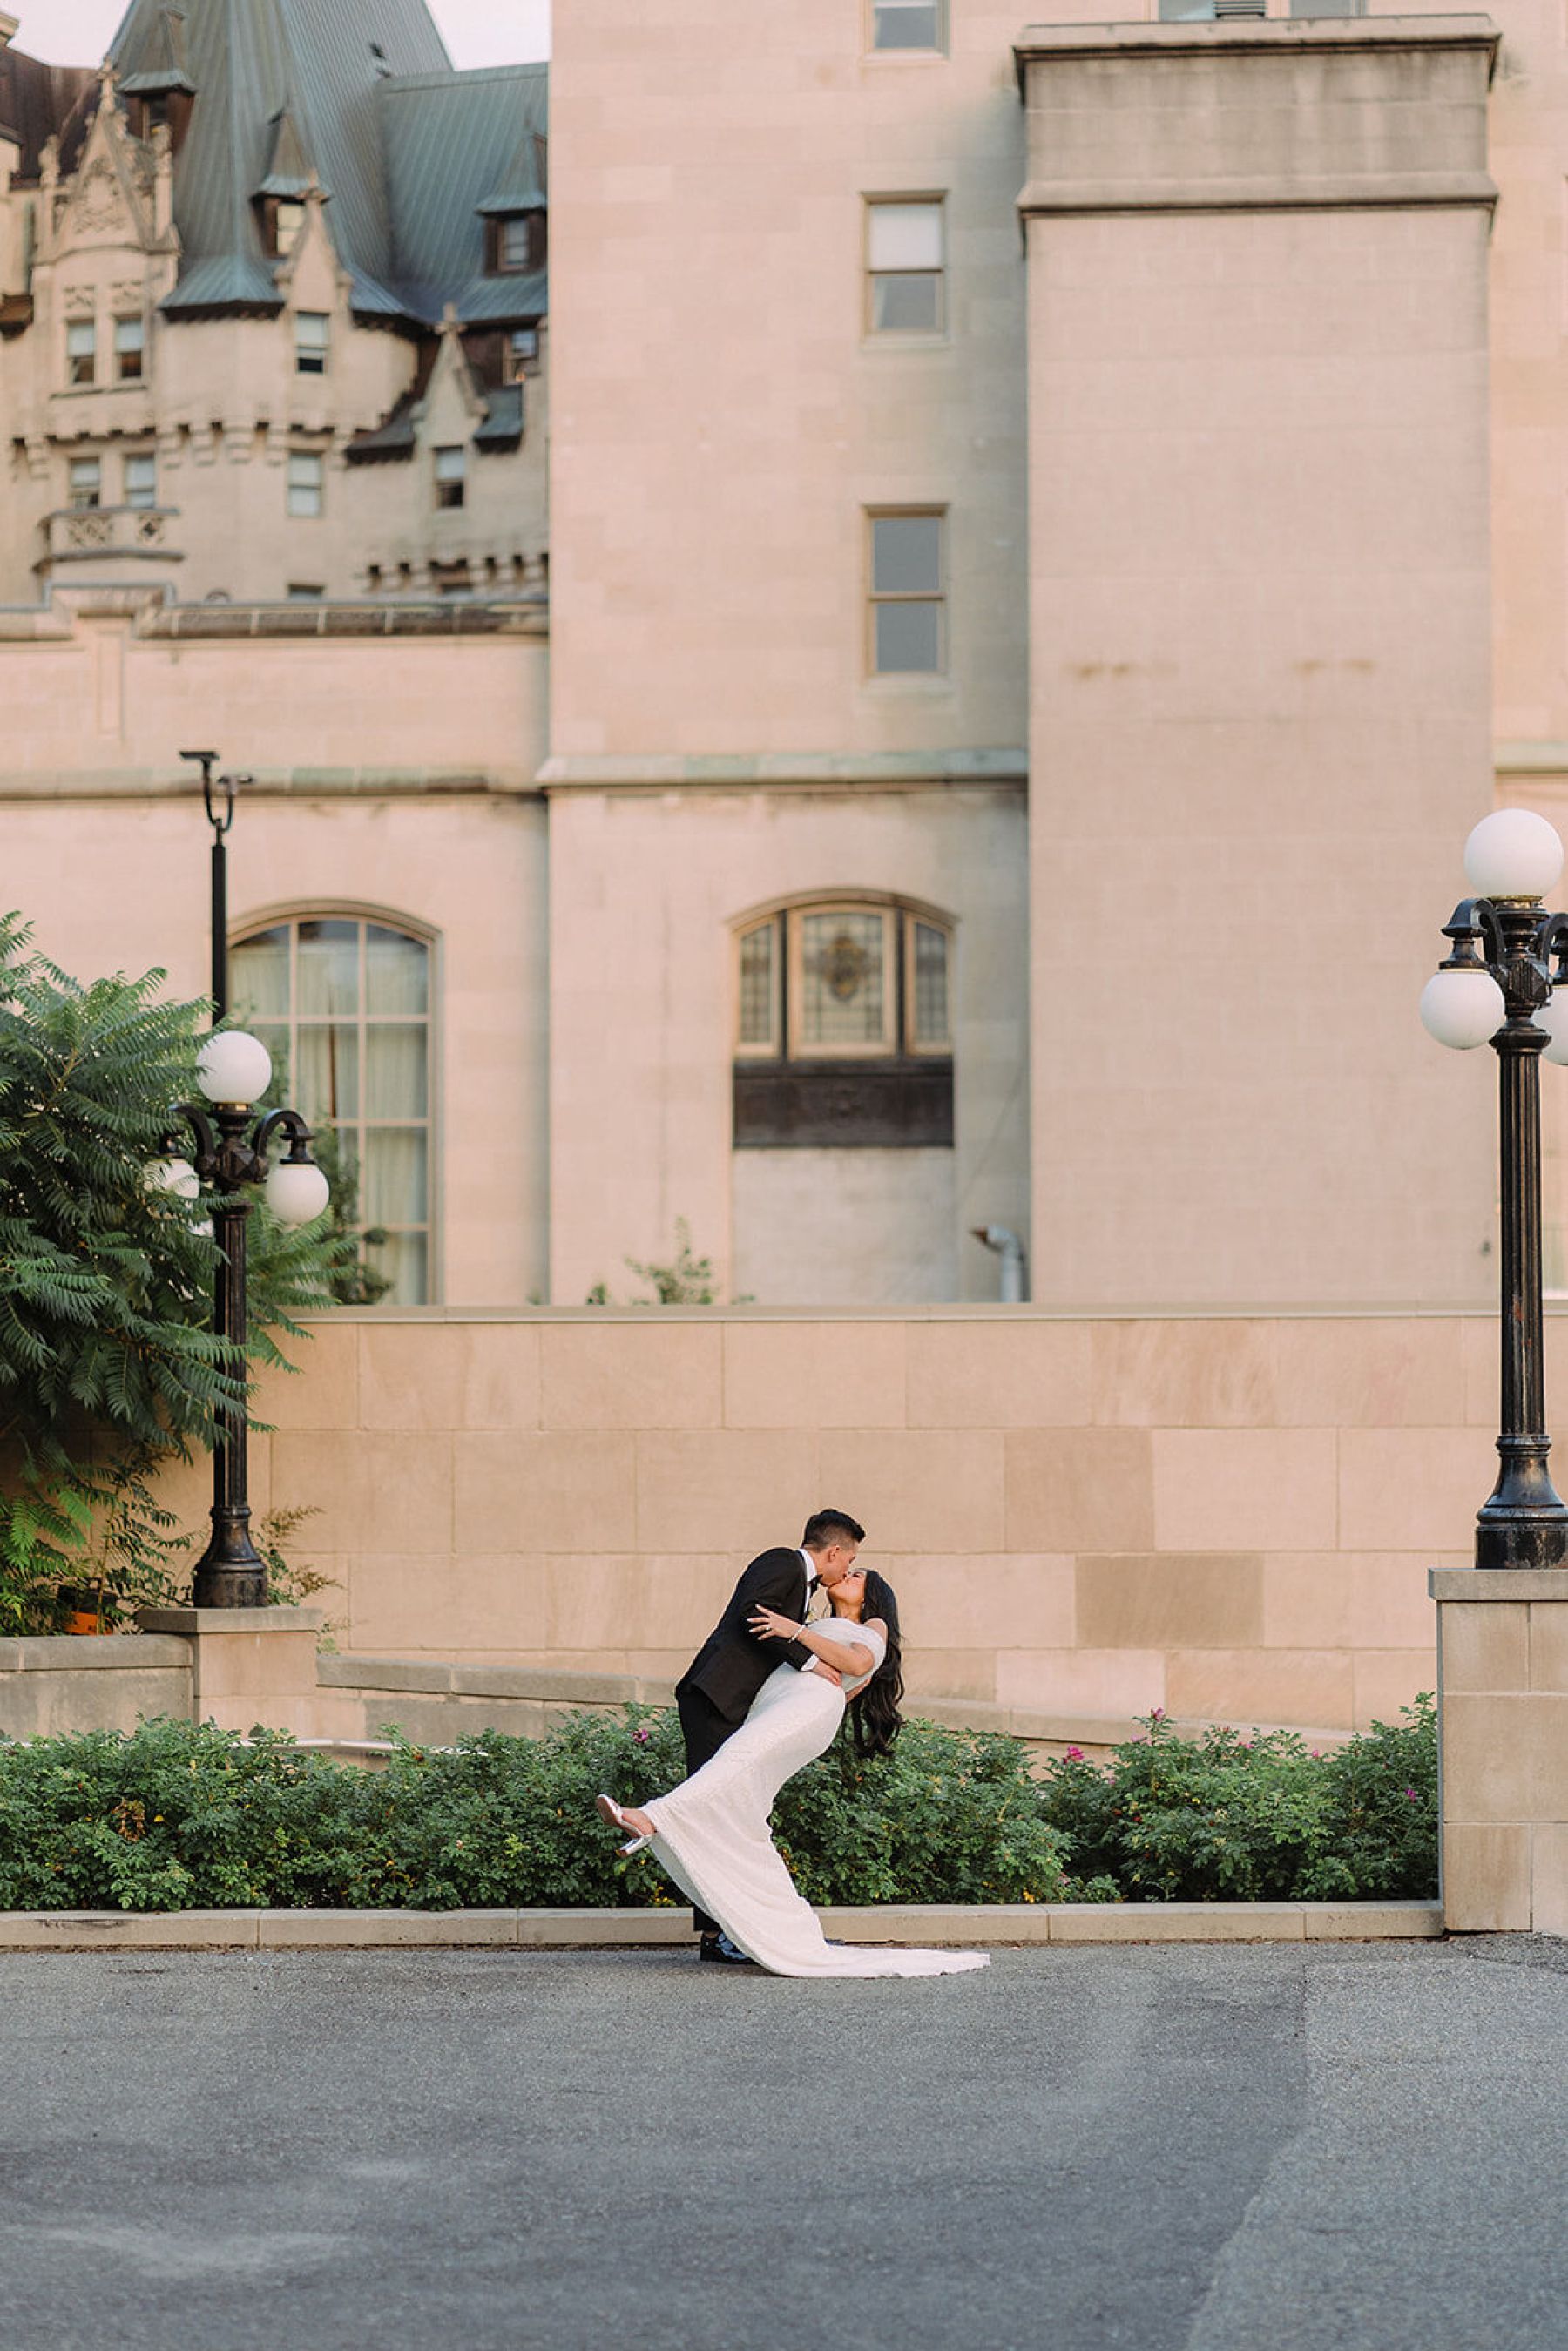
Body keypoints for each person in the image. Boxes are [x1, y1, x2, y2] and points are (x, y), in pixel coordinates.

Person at [596, 1523, 988, 1980]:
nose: (850, 1572)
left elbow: (859, 1664)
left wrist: (796, 1634)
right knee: (745, 1815)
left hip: (804, 1709)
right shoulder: (805, 1603)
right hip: (778, 1704)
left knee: (735, 1761)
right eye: (852, 1565)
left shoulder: (871, 1624)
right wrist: (800, 1635)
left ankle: (650, 1818)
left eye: (860, 1576)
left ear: (871, 1598)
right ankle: (780, 1926)